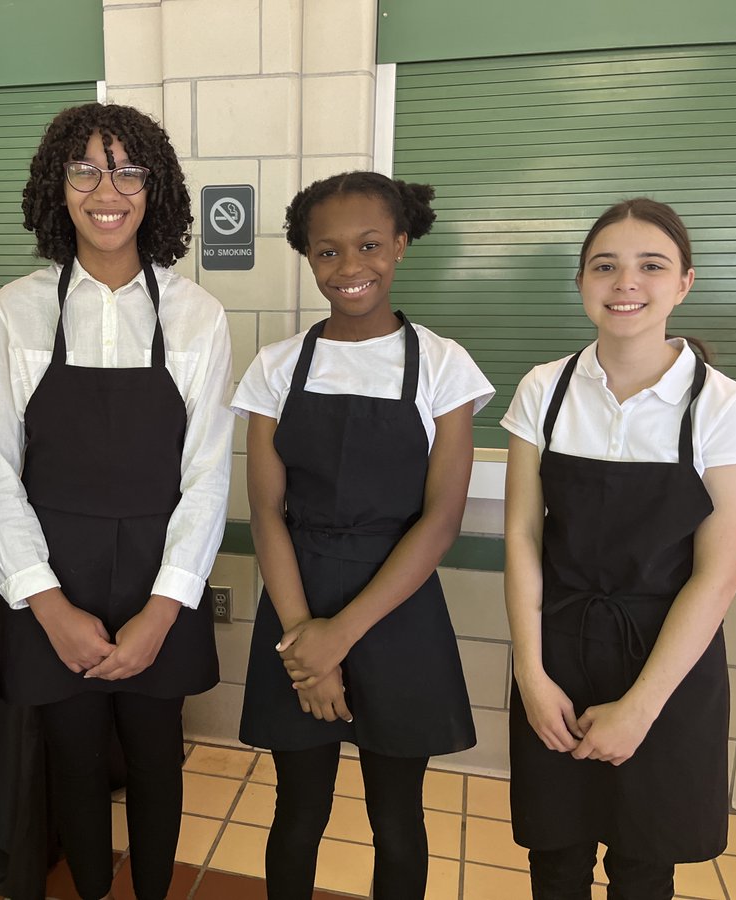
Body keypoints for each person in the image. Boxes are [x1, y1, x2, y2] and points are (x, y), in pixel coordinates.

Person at [0, 103, 233, 900]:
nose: (106, 191)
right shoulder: (14, 311)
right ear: (58, 186)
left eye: (127, 171)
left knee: (157, 762)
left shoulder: (196, 315)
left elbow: (208, 474)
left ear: (156, 189)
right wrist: (47, 605)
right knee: (73, 766)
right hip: (53, 579)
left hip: (159, 579)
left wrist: (164, 609)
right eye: (84, 170)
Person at [234, 171, 492, 899]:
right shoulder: (276, 368)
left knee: (397, 819)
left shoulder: (443, 365)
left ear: (401, 244)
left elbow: (440, 522)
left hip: (398, 608)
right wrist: (304, 645)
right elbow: (268, 513)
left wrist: (336, 638)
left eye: (370, 245)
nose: (350, 266)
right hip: (298, 601)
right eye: (328, 251)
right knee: (297, 812)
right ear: (308, 257)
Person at [502, 197, 736, 899]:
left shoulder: (723, 405)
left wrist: (641, 707)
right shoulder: (544, 389)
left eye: (651, 266)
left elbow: (716, 575)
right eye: (605, 266)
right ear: (581, 282)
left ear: (684, 283)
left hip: (666, 663)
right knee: (555, 858)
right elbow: (523, 537)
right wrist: (530, 673)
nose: (626, 283)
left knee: (643, 865)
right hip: (558, 652)